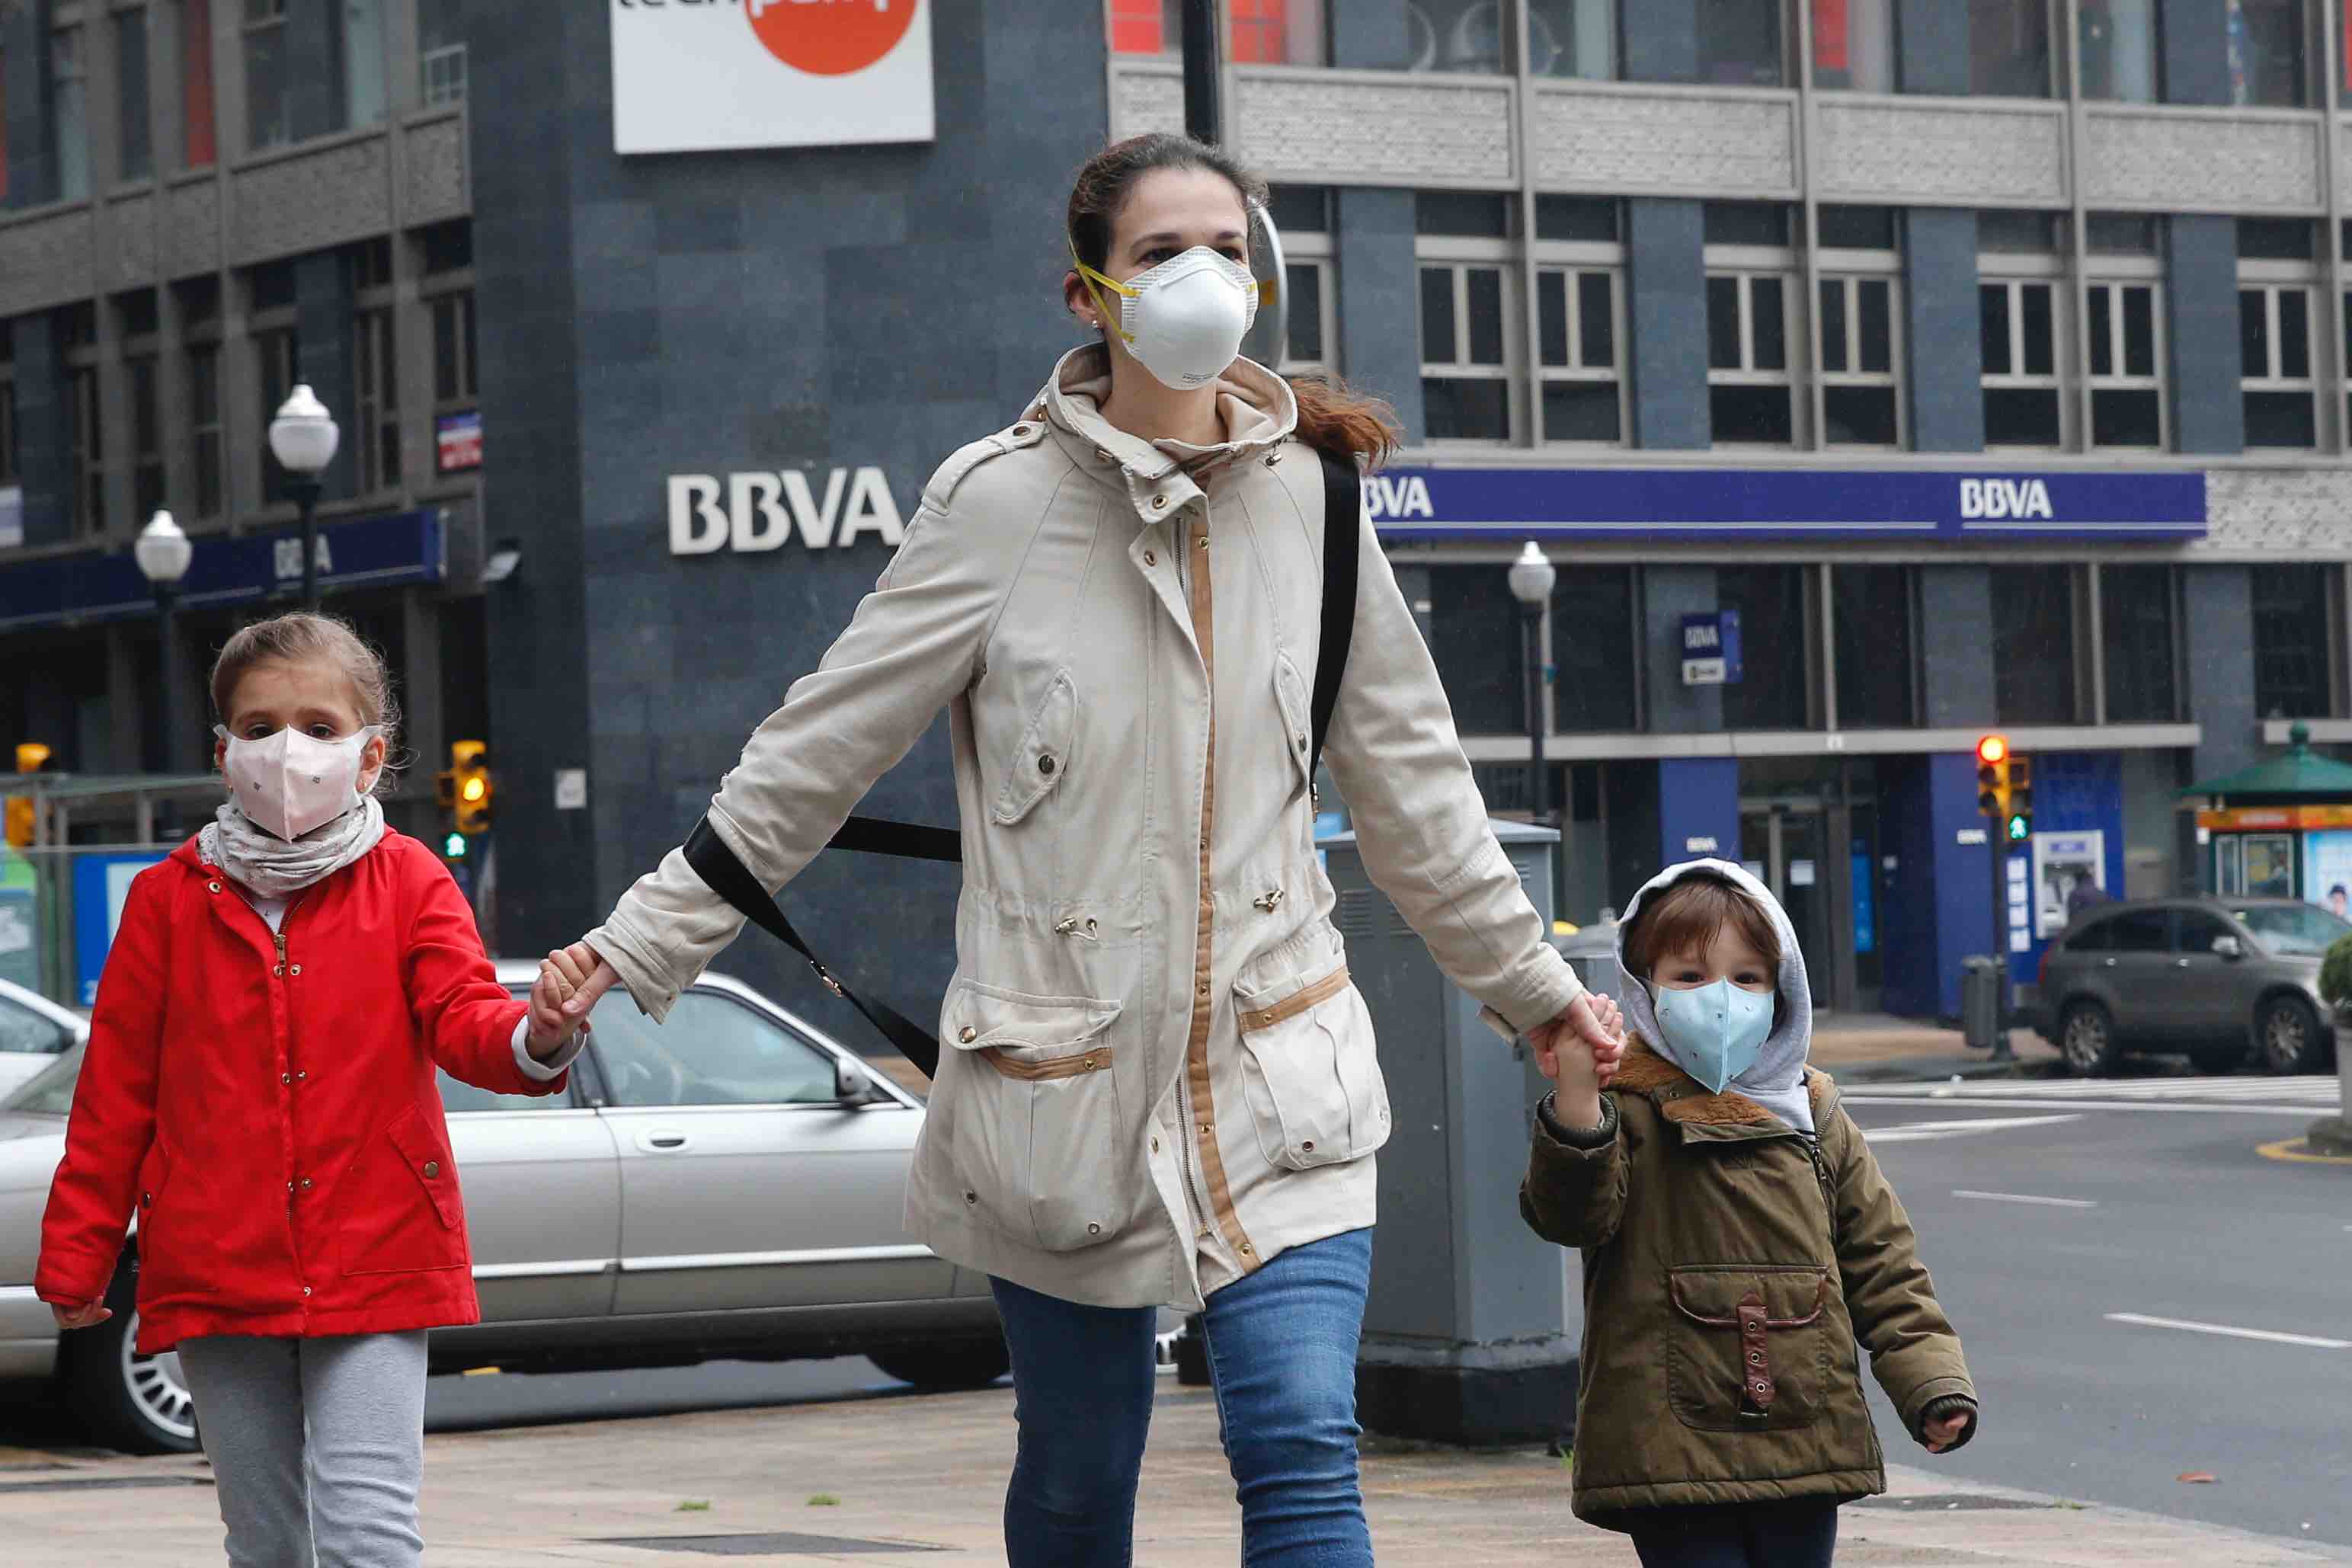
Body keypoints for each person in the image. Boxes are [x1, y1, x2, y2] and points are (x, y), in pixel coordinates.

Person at [548, 132, 1626, 1566]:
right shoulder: (995, 503)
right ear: (1088, 295)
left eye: (1226, 249)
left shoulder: (1316, 499)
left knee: (1301, 1439)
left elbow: (1418, 793)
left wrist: (1533, 987)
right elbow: (813, 754)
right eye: (1160, 252)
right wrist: (635, 946)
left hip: (1280, 1073)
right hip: (1053, 1092)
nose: (1200, 277)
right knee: (1073, 1474)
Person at [36, 612, 587, 1568]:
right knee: (267, 1545)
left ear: (372, 757)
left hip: (379, 1253)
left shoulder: (411, 879)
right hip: (215, 1264)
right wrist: (78, 1258)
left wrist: (535, 1035)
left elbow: (462, 1016)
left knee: (369, 1540)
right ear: (223, 752)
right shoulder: (166, 901)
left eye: (321, 728)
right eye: (259, 727)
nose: (288, 749)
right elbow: (115, 1094)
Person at [1520, 860, 1977, 1568]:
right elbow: (1572, 1219)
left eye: (1747, 978)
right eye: (1690, 978)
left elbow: (1882, 1264)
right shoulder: (1628, 1108)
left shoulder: (1813, 1111)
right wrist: (1579, 1099)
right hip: (1669, 1440)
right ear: (1645, 989)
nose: (1722, 1000)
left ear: (1781, 988)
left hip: (1804, 1425)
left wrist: (1931, 1385)